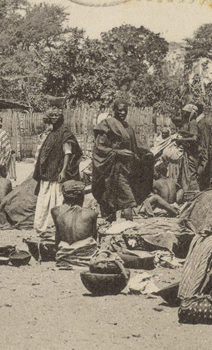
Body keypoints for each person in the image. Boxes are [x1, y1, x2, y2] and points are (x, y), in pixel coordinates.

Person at [33, 105, 81, 236]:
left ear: (62, 117)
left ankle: (54, 227)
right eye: (52, 116)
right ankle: (41, 227)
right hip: (48, 172)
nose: (54, 118)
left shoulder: (65, 133)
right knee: (44, 199)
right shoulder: (51, 132)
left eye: (57, 116)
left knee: (56, 199)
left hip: (57, 171)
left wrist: (63, 171)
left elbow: (68, 153)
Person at [91, 100, 140, 221]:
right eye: (120, 110)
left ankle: (122, 228)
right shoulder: (108, 125)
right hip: (110, 168)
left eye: (125, 110)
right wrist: (118, 152)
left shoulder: (128, 128)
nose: (122, 112)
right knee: (125, 200)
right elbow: (99, 147)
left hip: (125, 169)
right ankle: (128, 228)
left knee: (121, 200)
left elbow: (134, 148)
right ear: (114, 110)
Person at [51, 180, 99, 270]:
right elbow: (94, 236)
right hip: (86, 258)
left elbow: (58, 236)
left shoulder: (56, 211)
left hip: (64, 257)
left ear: (64, 195)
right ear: (82, 196)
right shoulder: (91, 213)